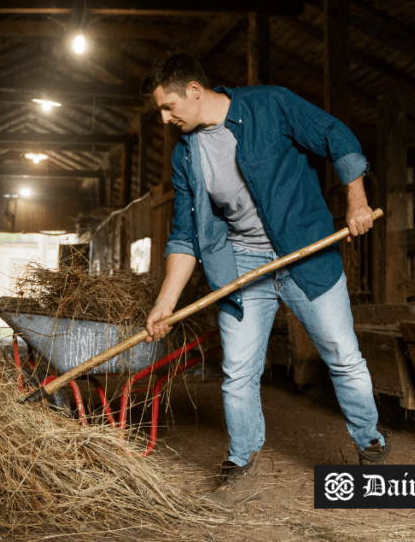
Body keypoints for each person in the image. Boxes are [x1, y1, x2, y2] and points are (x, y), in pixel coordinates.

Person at [141, 53, 391, 506]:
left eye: (168, 106)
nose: (164, 119)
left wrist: (356, 200)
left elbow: (337, 135)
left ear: (194, 91)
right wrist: (165, 304)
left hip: (304, 250)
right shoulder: (185, 155)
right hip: (241, 263)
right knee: (237, 370)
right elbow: (185, 236)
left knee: (342, 353)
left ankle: (370, 446)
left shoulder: (270, 105)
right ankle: (241, 458)